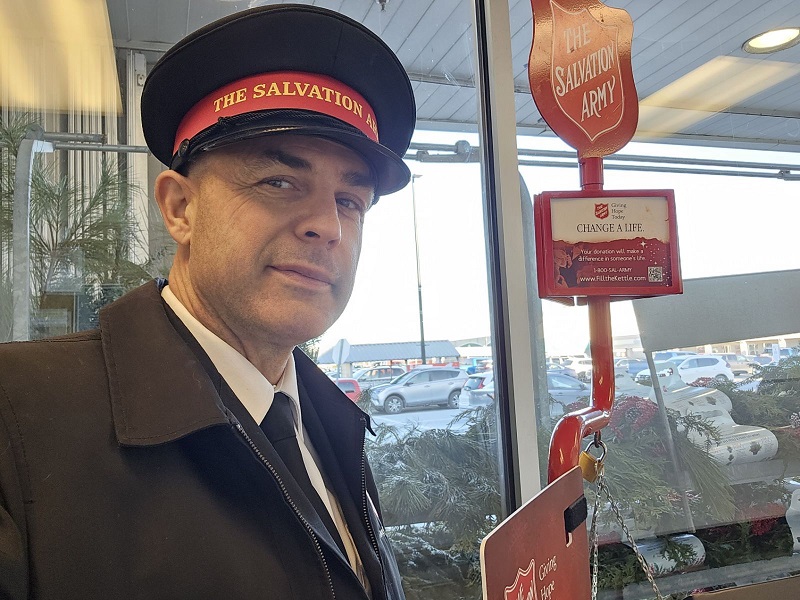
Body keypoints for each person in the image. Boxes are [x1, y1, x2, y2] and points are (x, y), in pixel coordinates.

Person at [0, 5, 415, 599]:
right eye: (279, 182)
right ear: (179, 208)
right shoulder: (18, 422)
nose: (328, 225)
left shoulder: (329, 423)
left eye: (351, 200)